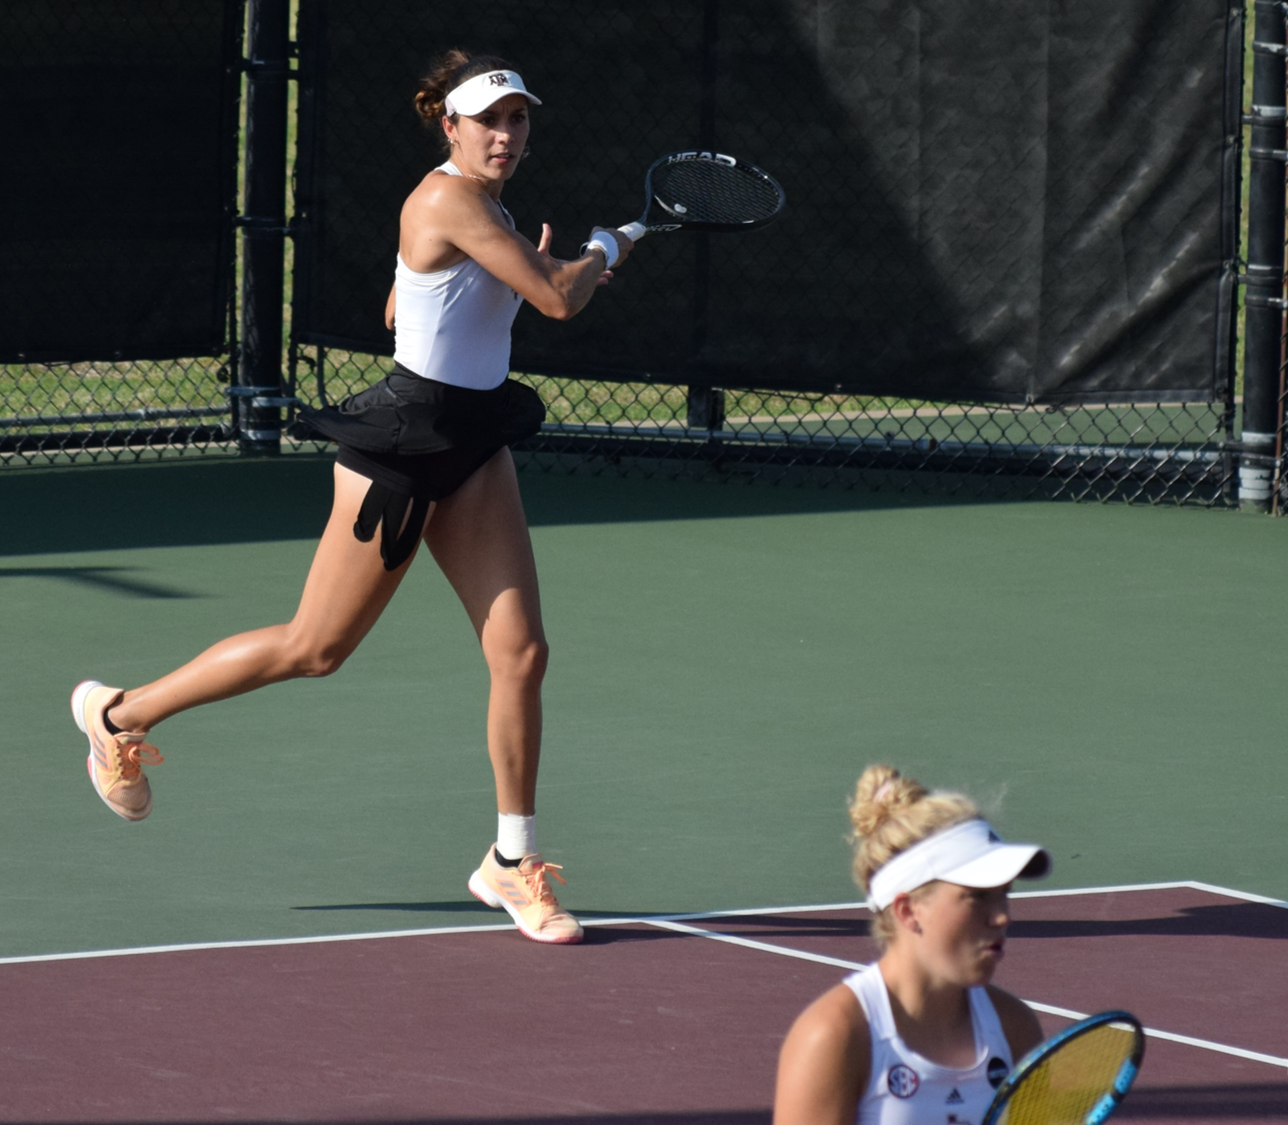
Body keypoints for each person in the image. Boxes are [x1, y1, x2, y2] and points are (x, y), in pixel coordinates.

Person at [69, 50, 634, 945]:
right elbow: (560, 303)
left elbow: (397, 308)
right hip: (403, 449)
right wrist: (605, 249)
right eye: (488, 119)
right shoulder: (446, 196)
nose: (505, 134)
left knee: (521, 654)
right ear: (449, 125)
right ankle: (119, 713)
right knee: (315, 647)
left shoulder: (485, 208)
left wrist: (515, 269)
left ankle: (511, 860)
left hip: (476, 441)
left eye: (518, 118)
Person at [773, 765, 1051, 1125]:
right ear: (908, 910)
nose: (1002, 917)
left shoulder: (1015, 1028)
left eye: (1004, 895)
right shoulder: (833, 1036)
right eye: (978, 896)